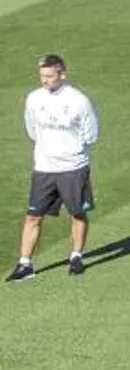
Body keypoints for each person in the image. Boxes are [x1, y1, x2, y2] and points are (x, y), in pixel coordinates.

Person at [10, 54, 98, 283]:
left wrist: (70, 151)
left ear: (62, 74)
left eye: (49, 76)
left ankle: (76, 257)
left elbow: (91, 135)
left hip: (72, 167)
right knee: (33, 216)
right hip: (44, 168)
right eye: (42, 76)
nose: (45, 80)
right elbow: (31, 129)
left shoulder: (79, 101)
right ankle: (25, 264)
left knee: (77, 212)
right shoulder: (34, 99)